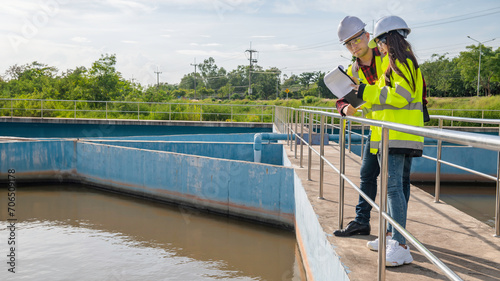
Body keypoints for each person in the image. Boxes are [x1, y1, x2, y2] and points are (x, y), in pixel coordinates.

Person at [352, 15, 425, 267]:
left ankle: (400, 245)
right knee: (400, 186)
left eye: (380, 42)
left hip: (397, 135)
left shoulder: (399, 63)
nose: (378, 47)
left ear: (387, 40)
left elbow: (400, 97)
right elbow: (386, 100)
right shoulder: (401, 63)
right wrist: (364, 105)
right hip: (400, 133)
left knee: (394, 188)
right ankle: (391, 235)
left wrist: (364, 90)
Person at [333, 16, 384, 237]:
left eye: (357, 40)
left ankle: (395, 234)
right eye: (349, 43)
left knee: (396, 184)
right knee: (366, 175)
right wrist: (344, 108)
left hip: (397, 128)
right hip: (377, 129)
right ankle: (362, 222)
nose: (354, 46)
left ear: (367, 36)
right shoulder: (354, 69)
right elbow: (342, 97)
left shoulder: (388, 57)